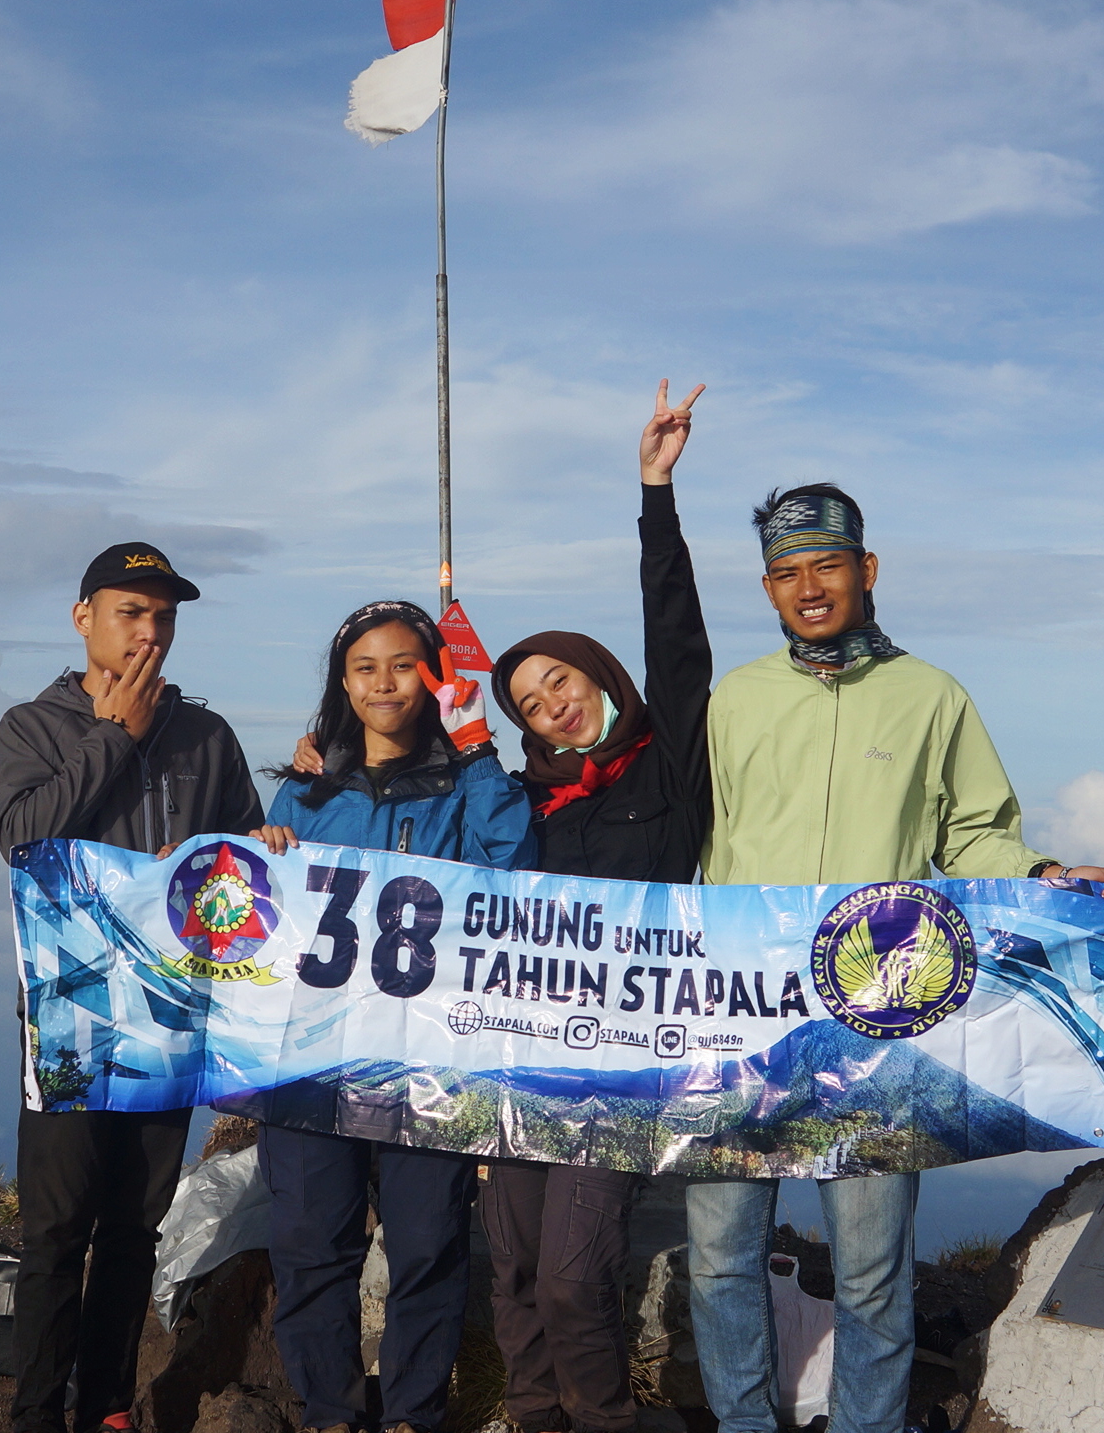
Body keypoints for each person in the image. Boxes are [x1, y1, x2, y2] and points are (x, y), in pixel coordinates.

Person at [691, 486, 1104, 1433]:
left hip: (873, 1012)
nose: (808, 587)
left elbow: (972, 833)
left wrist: (1043, 872)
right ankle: (739, 1425)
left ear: (867, 568)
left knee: (869, 1262)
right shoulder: (734, 697)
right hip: (743, 1013)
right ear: (767, 587)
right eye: (786, 572)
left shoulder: (933, 695)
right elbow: (698, 842)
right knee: (722, 1245)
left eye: (826, 564)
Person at [478, 379, 712, 1433]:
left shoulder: (665, 766)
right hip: (521, 1046)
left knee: (574, 1274)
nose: (552, 702)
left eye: (560, 677)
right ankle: (536, 1416)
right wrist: (322, 756)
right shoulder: (530, 797)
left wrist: (655, 492)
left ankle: (606, 1417)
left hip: (623, 1056)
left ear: (596, 672)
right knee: (517, 1267)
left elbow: (679, 643)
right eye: (529, 701)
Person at [0, 542, 264, 1433]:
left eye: (165, 616)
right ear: (85, 618)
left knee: (134, 1227)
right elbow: (24, 839)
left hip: (173, 1017)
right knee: (56, 1229)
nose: (150, 632)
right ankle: (36, 1413)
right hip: (71, 1016)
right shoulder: (32, 728)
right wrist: (116, 737)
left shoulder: (208, 737)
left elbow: (244, 858)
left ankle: (106, 1403)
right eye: (131, 613)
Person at [248, 599, 536, 1433]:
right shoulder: (303, 794)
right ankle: (329, 1411)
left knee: (427, 1244)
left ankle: (413, 1412)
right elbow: (261, 919)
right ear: (343, 681)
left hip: (431, 1059)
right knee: (310, 1243)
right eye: (366, 667)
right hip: (310, 1056)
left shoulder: (464, 784)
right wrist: (255, 848)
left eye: (405, 663)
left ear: (434, 673)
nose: (385, 683)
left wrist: (477, 746)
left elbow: (514, 869)